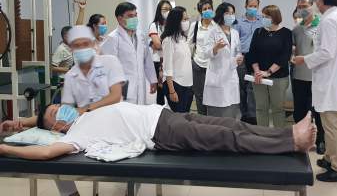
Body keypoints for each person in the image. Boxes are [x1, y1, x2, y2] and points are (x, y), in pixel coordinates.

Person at [2, 25, 126, 196]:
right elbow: (57, 112)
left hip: (113, 120)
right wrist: (21, 122)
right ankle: (71, 194)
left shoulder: (110, 62)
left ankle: (129, 187)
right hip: (83, 127)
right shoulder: (71, 76)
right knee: (55, 152)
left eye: (86, 43)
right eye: (77, 44)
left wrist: (84, 110)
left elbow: (115, 96)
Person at [0, 102, 317, 161]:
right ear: (56, 126)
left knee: (233, 124)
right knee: (228, 139)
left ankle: (288, 133)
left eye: (59, 105)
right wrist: (4, 148)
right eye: (57, 112)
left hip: (165, 115)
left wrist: (21, 123)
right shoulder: (73, 137)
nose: (62, 108)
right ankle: (292, 142)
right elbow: (44, 150)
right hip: (162, 134)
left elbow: (38, 121)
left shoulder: (83, 113)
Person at [293, 0, 337, 182]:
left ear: (320, 0)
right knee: (328, 124)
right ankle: (329, 158)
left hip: (330, 82)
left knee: (332, 126)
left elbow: (326, 52)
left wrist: (304, 59)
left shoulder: (328, 21)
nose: (314, 4)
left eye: (316, 0)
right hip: (333, 80)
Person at [101, 2, 157, 104]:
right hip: (122, 87)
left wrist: (153, 79)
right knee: (126, 116)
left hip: (140, 85)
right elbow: (107, 67)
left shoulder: (140, 35)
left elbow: (147, 59)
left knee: (139, 113)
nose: (135, 19)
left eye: (136, 15)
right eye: (130, 16)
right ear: (119, 18)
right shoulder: (112, 38)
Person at [292, 0, 325, 155]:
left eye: (305, 6)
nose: (302, 9)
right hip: (299, 76)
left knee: (316, 112)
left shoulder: (322, 26)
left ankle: (320, 141)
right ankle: (300, 140)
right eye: (299, 7)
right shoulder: (296, 29)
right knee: (299, 111)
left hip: (316, 77)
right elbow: (294, 49)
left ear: (312, 6)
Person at [249, 5, 292, 128]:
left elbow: (284, 56)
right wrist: (257, 71)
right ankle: (262, 135)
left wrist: (268, 72)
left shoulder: (286, 33)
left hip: (278, 77)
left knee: (278, 109)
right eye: (262, 16)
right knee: (261, 108)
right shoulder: (258, 32)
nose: (263, 19)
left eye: (266, 16)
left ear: (275, 17)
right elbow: (252, 54)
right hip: (258, 77)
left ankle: (278, 137)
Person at [203, 2, 243, 118]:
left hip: (231, 76)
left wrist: (239, 58)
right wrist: (215, 48)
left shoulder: (235, 33)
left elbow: (237, 51)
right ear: (221, 15)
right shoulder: (212, 31)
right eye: (227, 13)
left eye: (232, 13)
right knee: (217, 116)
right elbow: (205, 53)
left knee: (231, 113)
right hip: (217, 77)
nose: (230, 16)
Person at [234, 0, 262, 125]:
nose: (253, 8)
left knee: (253, 87)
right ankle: (243, 114)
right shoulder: (238, 22)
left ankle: (252, 116)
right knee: (242, 87)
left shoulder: (262, 21)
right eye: (251, 6)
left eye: (255, 6)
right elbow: (235, 41)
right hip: (243, 57)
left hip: (257, 58)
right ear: (245, 6)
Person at [161, 6, 193, 112]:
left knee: (186, 116)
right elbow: (167, 68)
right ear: (176, 21)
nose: (187, 22)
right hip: (175, 84)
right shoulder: (168, 40)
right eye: (184, 19)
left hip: (188, 84)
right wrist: (172, 91)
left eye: (187, 19)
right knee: (179, 118)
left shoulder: (183, 38)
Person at [188, 0, 216, 115]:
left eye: (209, 8)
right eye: (205, 9)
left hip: (213, 65)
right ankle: (202, 119)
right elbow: (189, 44)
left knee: (213, 95)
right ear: (201, 11)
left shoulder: (217, 26)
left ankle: (212, 120)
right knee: (199, 95)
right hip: (198, 64)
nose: (208, 10)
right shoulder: (194, 26)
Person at [149, 0, 173, 105]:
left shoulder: (173, 25)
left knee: (171, 88)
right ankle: (160, 113)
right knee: (161, 91)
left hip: (171, 60)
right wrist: (156, 44)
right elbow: (157, 45)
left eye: (169, 9)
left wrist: (157, 44)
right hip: (159, 62)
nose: (168, 11)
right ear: (159, 11)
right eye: (165, 9)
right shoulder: (154, 25)